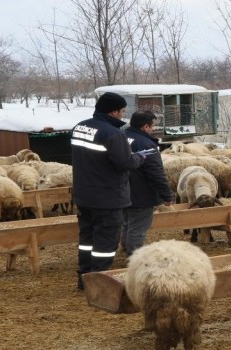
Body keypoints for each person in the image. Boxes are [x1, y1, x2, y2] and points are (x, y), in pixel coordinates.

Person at [71, 92, 147, 291]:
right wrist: (139, 157)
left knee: (87, 239)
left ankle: (84, 279)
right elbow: (124, 162)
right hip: (108, 197)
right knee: (105, 243)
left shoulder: (79, 127)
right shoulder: (113, 134)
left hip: (84, 195)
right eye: (122, 111)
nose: (123, 115)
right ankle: (99, 283)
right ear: (113, 111)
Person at [122, 111, 175, 257]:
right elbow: (155, 173)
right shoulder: (146, 144)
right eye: (152, 126)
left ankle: (127, 250)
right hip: (141, 194)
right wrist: (167, 195)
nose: (152, 129)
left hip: (122, 191)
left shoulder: (122, 137)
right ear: (145, 126)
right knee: (137, 229)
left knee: (127, 224)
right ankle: (134, 259)